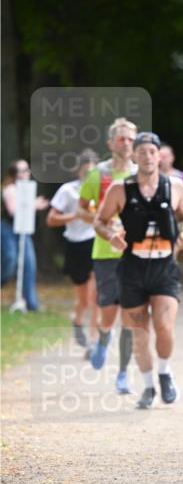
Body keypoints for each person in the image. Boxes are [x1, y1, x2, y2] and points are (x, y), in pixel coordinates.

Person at [94, 131, 183, 409]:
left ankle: (164, 372)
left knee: (164, 326)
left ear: (159, 155)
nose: (148, 157)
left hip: (164, 267)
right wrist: (111, 236)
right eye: (142, 152)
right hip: (133, 269)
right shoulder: (120, 189)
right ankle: (149, 386)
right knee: (140, 333)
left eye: (152, 152)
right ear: (133, 156)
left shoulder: (174, 186)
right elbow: (100, 221)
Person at [79, 118, 138, 393]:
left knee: (130, 314)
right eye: (121, 138)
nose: (126, 143)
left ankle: (123, 373)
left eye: (130, 139)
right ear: (110, 143)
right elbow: (81, 209)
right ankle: (103, 338)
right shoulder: (98, 174)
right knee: (108, 314)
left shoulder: (141, 173)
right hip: (105, 252)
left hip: (135, 252)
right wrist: (102, 221)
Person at [47, 149, 99, 348]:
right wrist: (75, 216)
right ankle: (77, 321)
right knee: (83, 300)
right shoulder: (68, 191)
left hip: (95, 242)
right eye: (85, 172)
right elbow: (51, 219)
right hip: (75, 245)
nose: (88, 176)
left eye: (92, 173)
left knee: (96, 297)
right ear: (78, 171)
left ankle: (94, 342)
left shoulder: (102, 190)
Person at [1, 159, 48, 310]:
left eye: (27, 169)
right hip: (8, 229)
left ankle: (31, 303)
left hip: (23, 230)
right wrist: (34, 204)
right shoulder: (10, 189)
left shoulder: (27, 189)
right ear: (15, 174)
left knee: (29, 264)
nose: (26, 173)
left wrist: (35, 204)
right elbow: (13, 211)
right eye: (22, 170)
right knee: (10, 260)